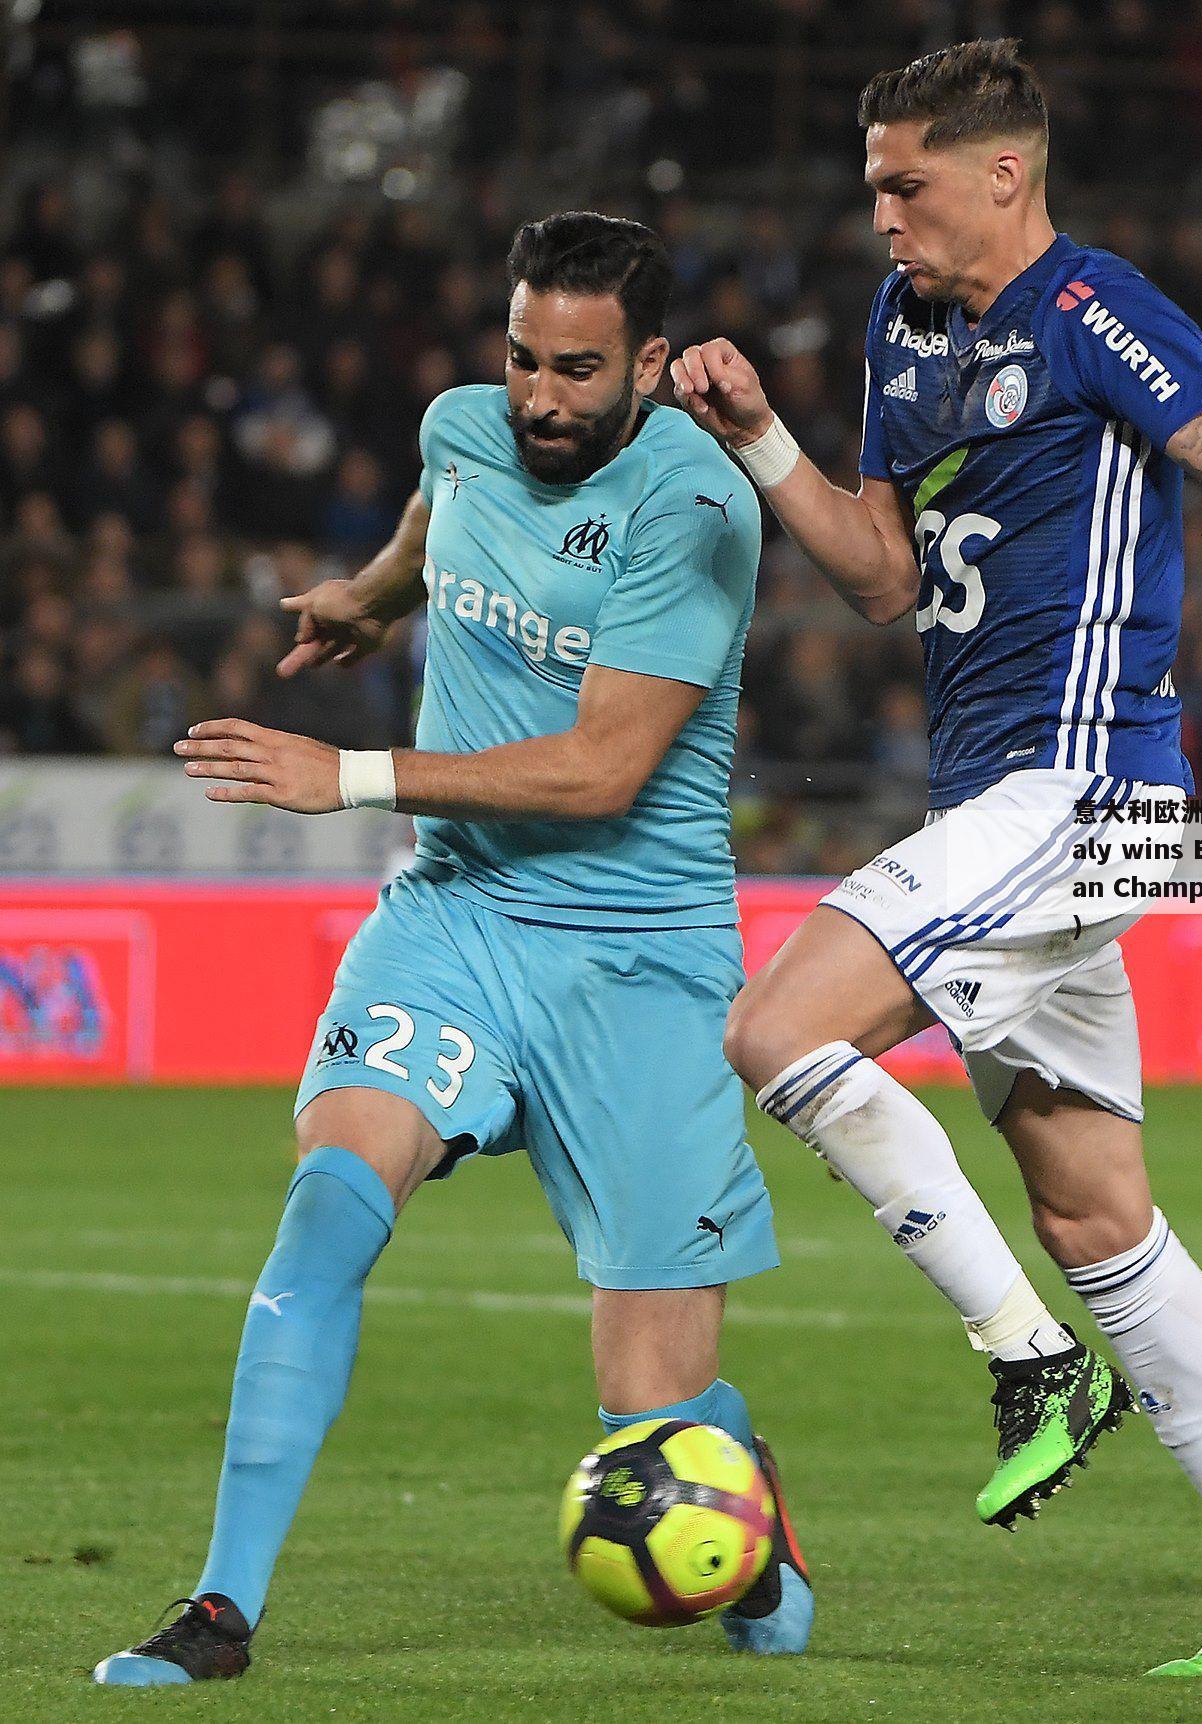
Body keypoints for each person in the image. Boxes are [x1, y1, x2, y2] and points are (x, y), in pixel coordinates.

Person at [668, 40, 1202, 1677]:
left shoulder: (1098, 310)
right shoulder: (905, 329)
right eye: (874, 179)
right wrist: (759, 438)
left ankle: (1030, 1353)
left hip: (1083, 792)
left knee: (774, 1025)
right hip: (1005, 804)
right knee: (1095, 1205)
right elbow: (882, 576)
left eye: (909, 183)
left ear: (1007, 176)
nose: (879, 211)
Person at [94, 212, 811, 1684]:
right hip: (458, 917)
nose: (541, 398)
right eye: (523, 359)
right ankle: (221, 1609)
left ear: (653, 365)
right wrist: (370, 598)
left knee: (648, 1412)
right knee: (331, 1204)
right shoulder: (465, 426)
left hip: (639, 955)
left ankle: (742, 1505)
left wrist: (344, 775)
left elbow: (604, 768)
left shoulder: (697, 508)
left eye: (579, 371)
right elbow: (440, 520)